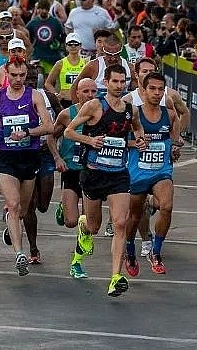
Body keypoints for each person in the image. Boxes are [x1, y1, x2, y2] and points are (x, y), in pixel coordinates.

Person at [65, 64, 146, 296]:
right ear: (106, 83)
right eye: (115, 82)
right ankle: (83, 228)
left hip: (119, 174)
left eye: (123, 82)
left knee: (120, 223)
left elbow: (137, 130)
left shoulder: (131, 110)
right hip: (93, 173)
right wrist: (89, 141)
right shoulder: (94, 106)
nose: (119, 86)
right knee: (93, 226)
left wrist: (139, 141)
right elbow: (69, 131)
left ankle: (115, 277)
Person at [0, 57, 54, 276]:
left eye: (22, 75)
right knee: (12, 205)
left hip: (30, 156)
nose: (18, 79)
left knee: (23, 209)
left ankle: (11, 227)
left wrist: (27, 133)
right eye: (14, 75)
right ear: (6, 73)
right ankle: (19, 254)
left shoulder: (34, 96)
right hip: (7, 158)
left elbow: (48, 126)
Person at [124, 71, 183, 276]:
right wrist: (135, 144)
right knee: (133, 216)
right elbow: (119, 140)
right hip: (138, 171)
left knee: (167, 206)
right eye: (152, 89)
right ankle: (130, 250)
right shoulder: (133, 113)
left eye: (160, 89)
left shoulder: (170, 114)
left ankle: (156, 252)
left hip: (161, 171)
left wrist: (175, 147)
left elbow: (174, 137)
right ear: (144, 90)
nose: (157, 93)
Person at [52, 77, 98, 278]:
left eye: (93, 91)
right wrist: (57, 157)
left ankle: (77, 263)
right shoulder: (66, 114)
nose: (90, 95)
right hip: (71, 171)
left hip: (93, 172)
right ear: (76, 93)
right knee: (70, 221)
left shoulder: (100, 113)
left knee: (87, 222)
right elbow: (51, 136)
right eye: (85, 91)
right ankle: (64, 207)